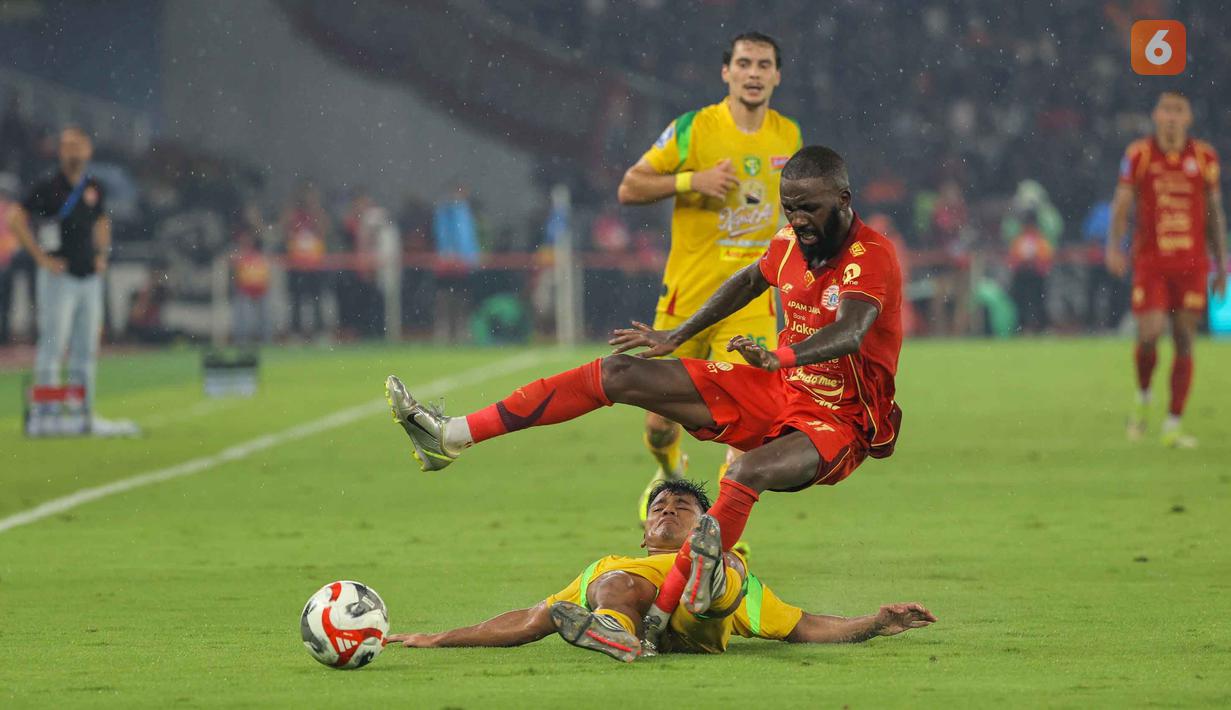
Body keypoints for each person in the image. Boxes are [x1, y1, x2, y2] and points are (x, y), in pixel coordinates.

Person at [385, 145, 903, 651]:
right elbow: (748, 281)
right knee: (619, 372)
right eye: (789, 207)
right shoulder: (789, 242)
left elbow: (852, 331)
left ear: (843, 198)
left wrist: (780, 358)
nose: (798, 219)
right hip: (778, 389)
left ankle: (658, 616)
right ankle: (450, 437)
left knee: (745, 472)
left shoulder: (870, 256)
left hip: (843, 418)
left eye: (809, 207)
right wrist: (677, 335)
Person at [385, 480, 934, 662]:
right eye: (659, 507)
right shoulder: (614, 563)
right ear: (645, 531)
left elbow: (806, 625)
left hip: (699, 625)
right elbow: (535, 617)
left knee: (725, 580)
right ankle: (622, 637)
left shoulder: (735, 563)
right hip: (653, 621)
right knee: (606, 588)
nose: (668, 510)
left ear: (703, 521)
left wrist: (874, 622)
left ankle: (702, 585)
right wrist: (439, 638)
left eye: (683, 507)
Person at [616, 32, 803, 523]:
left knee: (746, 425)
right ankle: (668, 464)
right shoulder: (693, 129)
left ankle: (715, 537)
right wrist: (690, 181)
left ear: (777, 75)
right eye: (745, 63)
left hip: (751, 301)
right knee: (659, 423)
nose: (754, 73)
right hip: (687, 300)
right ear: (727, 72)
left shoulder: (789, 136)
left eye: (764, 64)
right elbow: (630, 186)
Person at [1106, 91, 1227, 448]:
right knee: (1149, 333)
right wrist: (1114, 247)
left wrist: (1221, 262)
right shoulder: (1138, 155)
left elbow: (1213, 213)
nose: (1172, 117)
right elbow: (1122, 204)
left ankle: (1173, 423)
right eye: (1166, 110)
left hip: (1191, 263)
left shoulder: (1204, 157)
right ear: (1155, 116)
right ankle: (1143, 399)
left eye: (1179, 111)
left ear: (1188, 119)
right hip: (1152, 261)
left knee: (1185, 339)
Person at [8, 127, 111, 417]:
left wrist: (102, 255)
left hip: (89, 276)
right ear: (59, 151)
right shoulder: (47, 185)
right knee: (53, 343)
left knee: (86, 345)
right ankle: (48, 407)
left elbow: (103, 221)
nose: (72, 150)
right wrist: (40, 258)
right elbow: (15, 218)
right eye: (66, 145)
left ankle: (81, 407)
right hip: (58, 276)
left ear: (88, 150)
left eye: (77, 145)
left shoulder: (94, 187)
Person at [281, 181, 329, 339]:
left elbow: (324, 231)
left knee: (317, 301)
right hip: (297, 264)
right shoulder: (293, 215)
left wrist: (315, 210)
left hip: (314, 264)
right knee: (296, 301)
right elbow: (285, 232)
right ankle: (295, 332)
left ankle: (320, 332)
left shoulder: (317, 214)